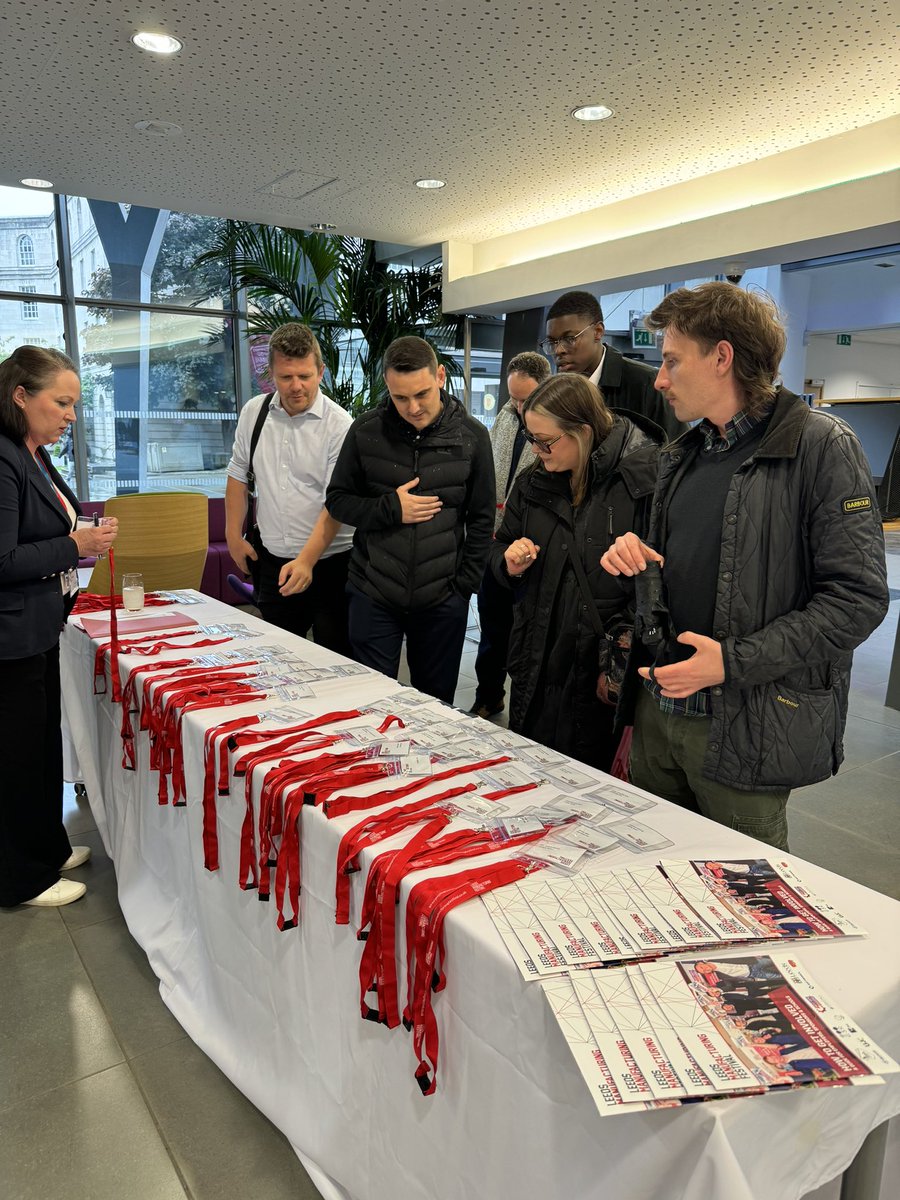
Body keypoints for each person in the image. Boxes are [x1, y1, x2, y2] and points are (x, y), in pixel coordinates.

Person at [601, 282, 889, 849]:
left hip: (745, 727)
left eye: (671, 360)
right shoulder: (681, 455)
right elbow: (690, 563)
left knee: (742, 901)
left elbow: (857, 601)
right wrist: (637, 561)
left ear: (722, 356)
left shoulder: (821, 446)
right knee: (652, 884)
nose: (659, 379)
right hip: (659, 713)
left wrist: (732, 662)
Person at [490, 373, 662, 771]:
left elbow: (663, 584)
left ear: (582, 432)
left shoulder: (644, 479)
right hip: (535, 658)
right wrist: (507, 562)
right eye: (530, 438)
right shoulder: (534, 479)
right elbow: (497, 547)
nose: (535, 450)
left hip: (598, 672)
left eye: (545, 441)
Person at [0, 346, 118, 908]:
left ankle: (46, 844)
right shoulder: (3, 457)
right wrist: (74, 545)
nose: (72, 415)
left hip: (41, 626)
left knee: (44, 745)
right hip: (11, 638)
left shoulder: (34, 453)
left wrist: (83, 534)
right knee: (18, 756)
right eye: (63, 402)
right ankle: (21, 876)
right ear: (21, 396)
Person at [326, 336, 495, 703]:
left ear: (440, 377)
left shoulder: (473, 437)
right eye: (400, 398)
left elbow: (482, 519)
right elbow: (338, 502)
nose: (413, 407)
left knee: (435, 707)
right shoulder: (365, 431)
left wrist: (462, 587)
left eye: (421, 394)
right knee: (371, 701)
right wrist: (390, 509)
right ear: (387, 385)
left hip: (441, 599)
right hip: (373, 592)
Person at [225, 323, 354, 654]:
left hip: (330, 565)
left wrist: (307, 561)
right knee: (279, 659)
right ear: (272, 373)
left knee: (335, 660)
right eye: (286, 377)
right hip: (272, 562)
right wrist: (232, 537)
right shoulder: (254, 413)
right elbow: (238, 474)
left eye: (305, 376)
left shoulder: (340, 426)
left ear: (321, 371)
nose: (296, 386)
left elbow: (336, 502)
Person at [470, 351, 552, 718]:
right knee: (491, 627)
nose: (518, 406)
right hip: (495, 542)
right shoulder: (503, 418)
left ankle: (522, 701)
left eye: (525, 398)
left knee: (523, 635)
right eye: (513, 397)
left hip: (531, 548)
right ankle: (489, 694)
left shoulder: (552, 426)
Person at [542, 290, 686, 440]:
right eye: (552, 342)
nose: (558, 350)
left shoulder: (647, 384)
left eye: (569, 339)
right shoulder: (556, 394)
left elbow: (679, 451)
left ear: (598, 332)